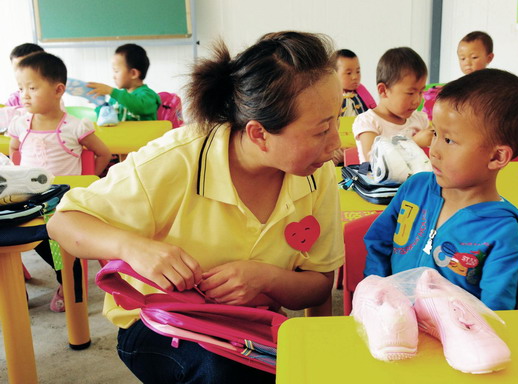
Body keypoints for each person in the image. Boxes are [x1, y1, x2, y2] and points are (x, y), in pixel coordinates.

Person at [48, 31, 344, 383]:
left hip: (248, 327)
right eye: (322, 130)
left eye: (337, 121)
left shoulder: (316, 174)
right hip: (158, 323)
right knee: (221, 373)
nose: (337, 145)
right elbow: (63, 223)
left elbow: (319, 286)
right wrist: (134, 247)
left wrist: (266, 279)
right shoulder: (176, 160)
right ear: (258, 134)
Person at [363, 69, 518, 311]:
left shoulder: (501, 231)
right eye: (435, 133)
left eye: (449, 140)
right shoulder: (415, 188)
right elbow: (378, 241)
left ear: (497, 156)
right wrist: (376, 295)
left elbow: (495, 311)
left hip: (455, 338)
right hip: (394, 321)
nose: (433, 150)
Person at [6, 51, 111, 312]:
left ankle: (65, 279)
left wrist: (90, 182)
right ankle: (13, 283)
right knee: (9, 233)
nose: (24, 94)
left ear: (58, 90)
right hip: (28, 200)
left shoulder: (75, 126)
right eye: (21, 88)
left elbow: (104, 154)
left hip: (62, 203)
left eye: (32, 87)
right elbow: (14, 151)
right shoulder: (20, 124)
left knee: (54, 242)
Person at [352, 47, 431, 164]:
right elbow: (374, 161)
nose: (417, 100)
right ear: (383, 90)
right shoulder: (369, 122)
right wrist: (413, 143)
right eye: (410, 93)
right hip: (383, 182)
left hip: (418, 181)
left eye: (421, 92)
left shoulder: (420, 119)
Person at [422, 31, 494, 121]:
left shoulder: (490, 83)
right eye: (462, 58)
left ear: (489, 58)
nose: (467, 63)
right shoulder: (461, 84)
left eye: (474, 57)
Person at [87, 43, 161, 121]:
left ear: (133, 73)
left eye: (116, 71)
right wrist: (100, 104)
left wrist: (112, 91)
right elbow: (106, 120)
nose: (114, 76)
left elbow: (140, 107)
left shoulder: (148, 96)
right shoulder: (115, 99)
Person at [332, 48, 376, 164]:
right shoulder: (329, 97)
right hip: (336, 149)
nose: (355, 77)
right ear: (334, 73)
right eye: (348, 73)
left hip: (359, 148)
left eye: (358, 71)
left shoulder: (364, 96)